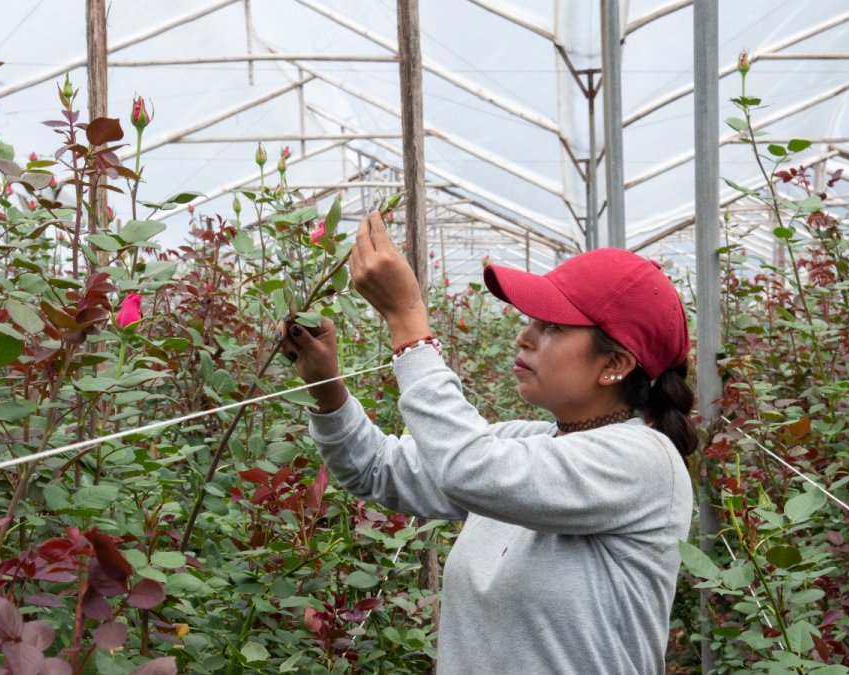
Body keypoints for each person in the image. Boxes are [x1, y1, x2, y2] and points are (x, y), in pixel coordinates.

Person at [277, 211, 695, 674]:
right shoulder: (526, 442)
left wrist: (409, 324)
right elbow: (377, 468)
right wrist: (327, 386)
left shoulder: (643, 461)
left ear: (614, 362)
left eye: (553, 326)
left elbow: (468, 465)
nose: (525, 335)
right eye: (532, 321)